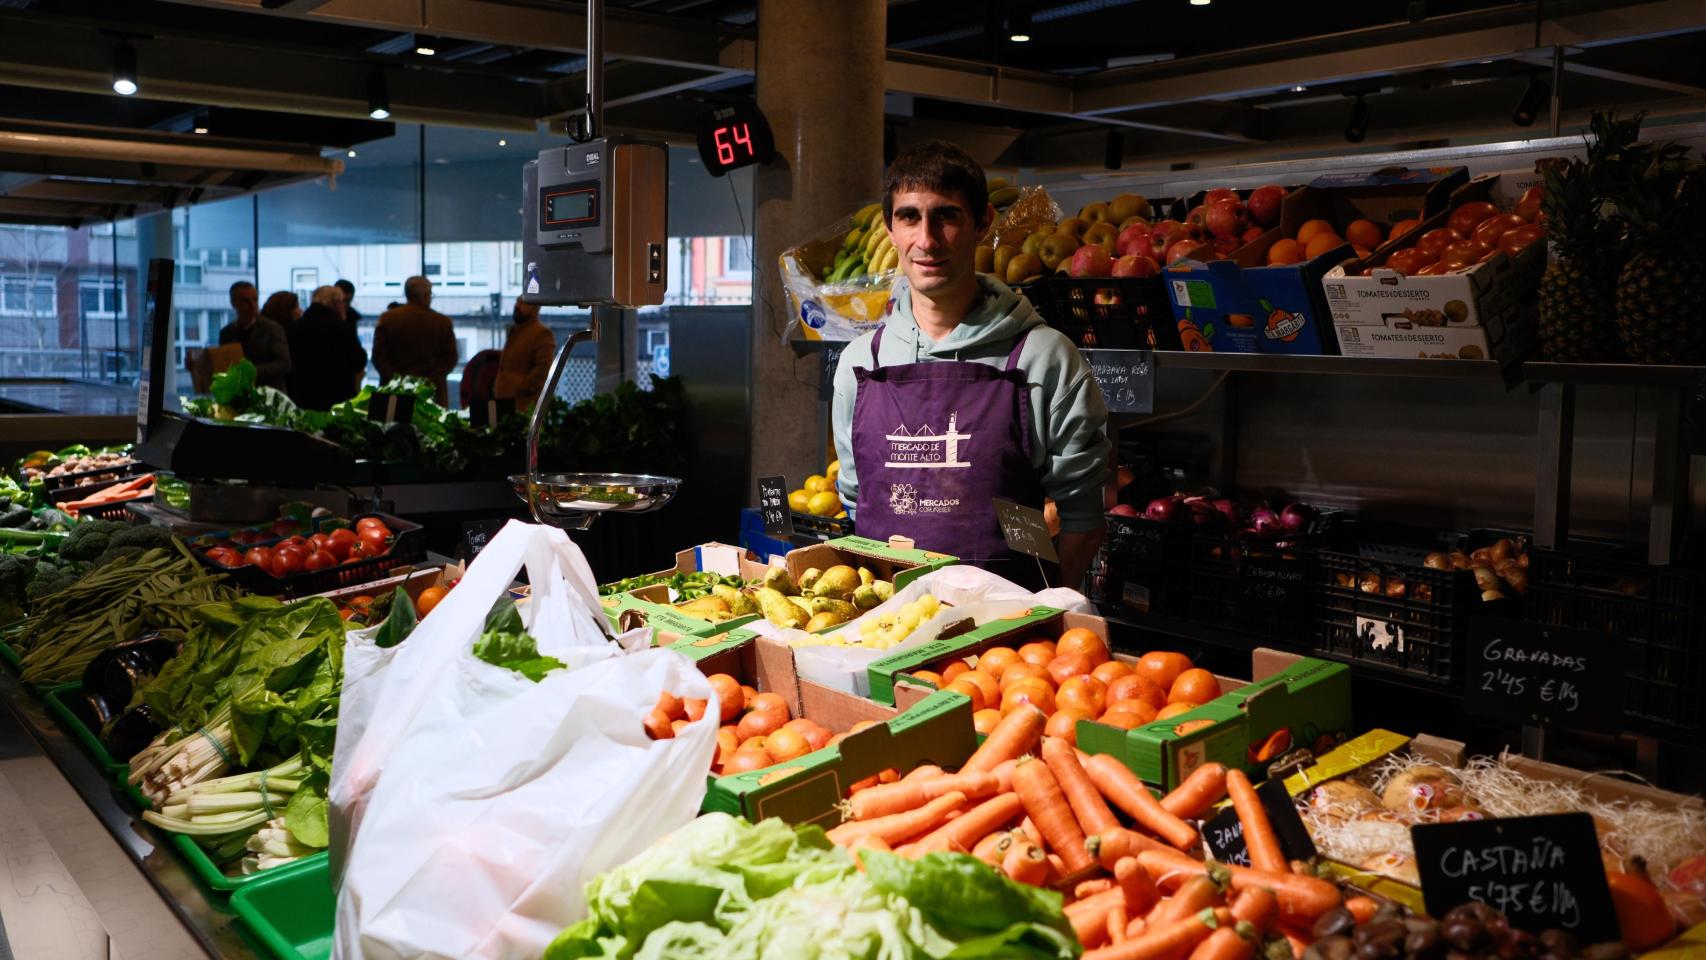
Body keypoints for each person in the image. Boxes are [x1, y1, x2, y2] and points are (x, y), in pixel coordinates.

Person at [831, 140, 1110, 589]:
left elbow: (1082, 518)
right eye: (909, 217)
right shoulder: (861, 365)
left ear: (982, 224)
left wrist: (1040, 612)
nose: (926, 240)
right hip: (885, 633)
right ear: (890, 228)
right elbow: (857, 500)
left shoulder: (1043, 358)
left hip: (1005, 637)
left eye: (946, 216)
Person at [372, 276, 458, 405]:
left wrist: (397, 380)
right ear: (425, 295)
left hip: (393, 394)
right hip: (432, 396)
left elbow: (379, 357)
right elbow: (450, 359)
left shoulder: (387, 319)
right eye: (430, 294)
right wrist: (429, 381)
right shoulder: (442, 323)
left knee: (390, 424)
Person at [286, 285, 368, 411]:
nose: (345, 307)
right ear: (334, 303)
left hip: (302, 397)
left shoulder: (295, 328)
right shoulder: (342, 329)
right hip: (336, 399)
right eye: (342, 302)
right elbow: (359, 361)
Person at [216, 280, 291, 390]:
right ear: (233, 303)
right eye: (246, 301)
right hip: (241, 396)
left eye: (255, 300)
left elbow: (284, 364)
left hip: (269, 395)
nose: (253, 305)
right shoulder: (226, 333)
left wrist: (252, 371)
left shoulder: (272, 328)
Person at [492, 299, 557, 410]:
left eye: (522, 303)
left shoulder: (542, 333)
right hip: (505, 404)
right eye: (517, 301)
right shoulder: (516, 331)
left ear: (534, 308)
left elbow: (543, 369)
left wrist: (520, 389)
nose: (517, 305)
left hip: (522, 406)